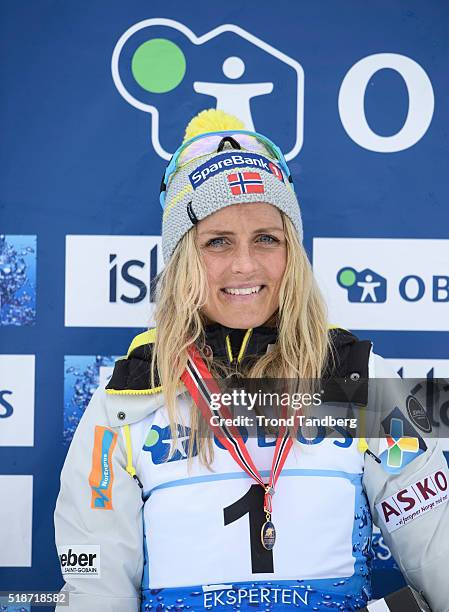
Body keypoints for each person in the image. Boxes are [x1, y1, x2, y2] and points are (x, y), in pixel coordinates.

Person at [54, 109, 449, 611]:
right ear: (181, 261)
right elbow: (95, 587)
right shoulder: (128, 398)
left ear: (293, 253)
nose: (245, 264)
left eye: (267, 238)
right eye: (217, 241)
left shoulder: (360, 378)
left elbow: (441, 553)